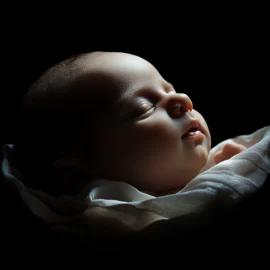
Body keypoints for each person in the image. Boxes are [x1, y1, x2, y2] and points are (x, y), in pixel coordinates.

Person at [2, 51, 269, 238]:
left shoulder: (234, 156)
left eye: (170, 88)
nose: (184, 100)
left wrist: (226, 167)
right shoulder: (106, 223)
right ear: (76, 176)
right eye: (144, 107)